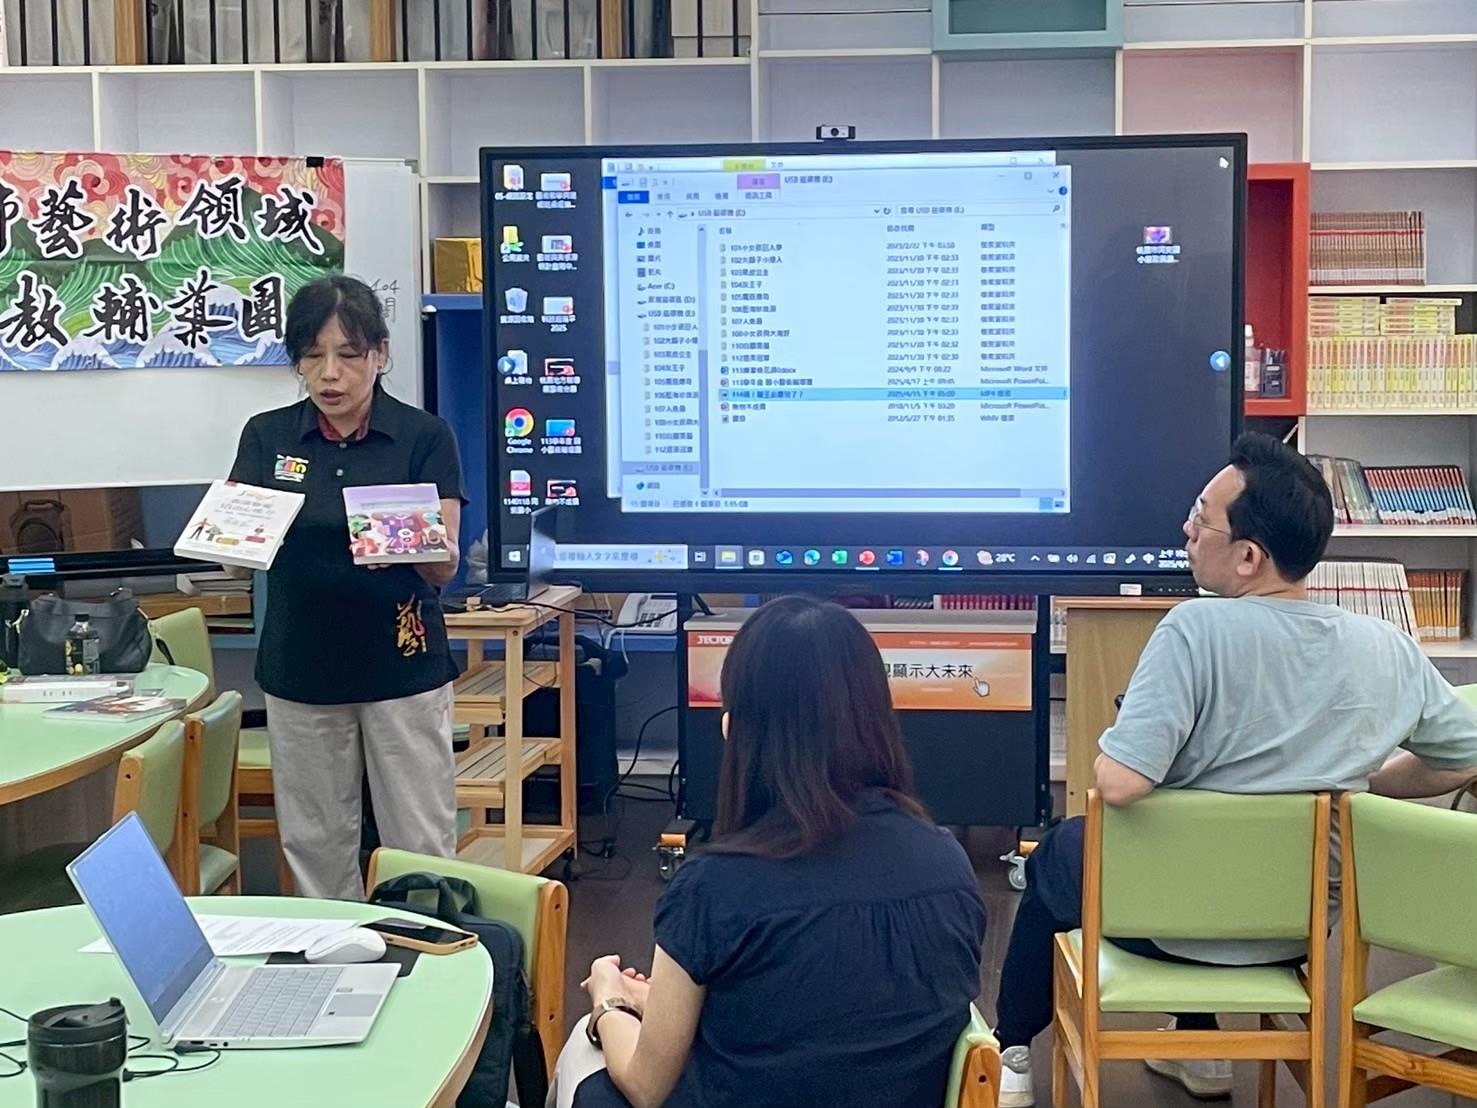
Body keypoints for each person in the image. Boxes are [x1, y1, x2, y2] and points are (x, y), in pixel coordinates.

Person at [994, 431, 1477, 1108]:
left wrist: (1116, 742)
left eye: (1201, 519)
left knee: (1060, 851)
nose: (1186, 530)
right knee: (1192, 856)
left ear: (1249, 556)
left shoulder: (1192, 630)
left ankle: (1009, 1053)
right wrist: (1365, 782)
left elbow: (1122, 783)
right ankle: (1201, 1045)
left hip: (1163, 923)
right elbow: (1463, 756)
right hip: (1295, 931)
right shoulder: (1385, 646)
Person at [550, 595, 987, 1108]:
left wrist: (608, 999)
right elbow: (835, 1014)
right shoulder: (947, 863)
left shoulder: (712, 888)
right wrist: (656, 1002)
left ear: (734, 729)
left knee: (584, 1049)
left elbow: (647, 1085)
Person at [226, 275, 465, 901]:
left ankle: (430, 948)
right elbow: (238, 548)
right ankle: (331, 952)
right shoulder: (267, 435)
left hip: (402, 665)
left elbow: (445, 567)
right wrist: (225, 539)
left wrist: (413, 544)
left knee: (419, 837)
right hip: (300, 666)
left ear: (380, 354)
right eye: (312, 356)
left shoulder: (422, 436)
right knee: (315, 841)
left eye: (349, 355)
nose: (330, 374)